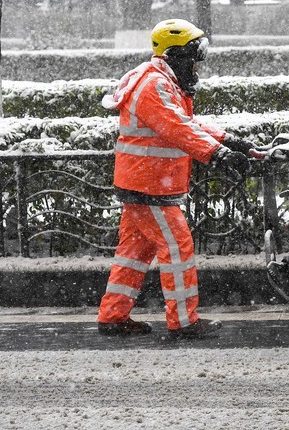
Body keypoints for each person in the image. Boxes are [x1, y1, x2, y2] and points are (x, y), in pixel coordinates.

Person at [97, 19, 254, 338]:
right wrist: (218, 154)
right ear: (174, 55)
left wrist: (229, 140)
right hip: (149, 186)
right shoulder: (154, 84)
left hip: (141, 183)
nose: (196, 68)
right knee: (177, 248)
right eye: (192, 59)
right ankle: (183, 322)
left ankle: (113, 316)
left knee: (134, 252)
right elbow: (177, 128)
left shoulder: (160, 80)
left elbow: (186, 122)